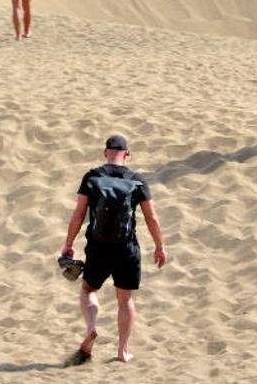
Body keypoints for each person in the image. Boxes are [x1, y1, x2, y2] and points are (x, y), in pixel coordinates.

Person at [60, 135, 167, 363]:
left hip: (98, 247)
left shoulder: (92, 177)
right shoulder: (137, 180)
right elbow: (152, 218)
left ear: (105, 152)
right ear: (126, 154)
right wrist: (159, 246)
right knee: (125, 299)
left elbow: (79, 214)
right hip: (127, 248)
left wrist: (68, 244)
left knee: (89, 289)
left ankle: (91, 328)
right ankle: (122, 351)